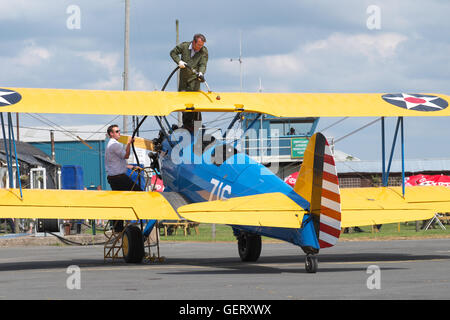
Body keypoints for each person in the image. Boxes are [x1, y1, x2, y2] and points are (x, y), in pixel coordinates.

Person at [170, 34, 208, 132]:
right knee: (184, 106)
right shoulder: (184, 46)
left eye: (202, 45)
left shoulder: (203, 51)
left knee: (195, 106)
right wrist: (179, 61)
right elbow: (173, 53)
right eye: (199, 45)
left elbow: (203, 64)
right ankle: (187, 127)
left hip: (194, 82)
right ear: (194, 42)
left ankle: (197, 128)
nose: (200, 47)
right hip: (183, 82)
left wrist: (201, 72)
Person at [105, 124, 140, 191]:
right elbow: (126, 156)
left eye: (119, 131)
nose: (119, 133)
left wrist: (132, 167)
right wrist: (129, 143)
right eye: (117, 131)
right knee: (139, 192)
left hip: (114, 178)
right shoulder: (115, 144)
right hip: (119, 178)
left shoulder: (110, 144)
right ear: (111, 133)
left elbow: (116, 163)